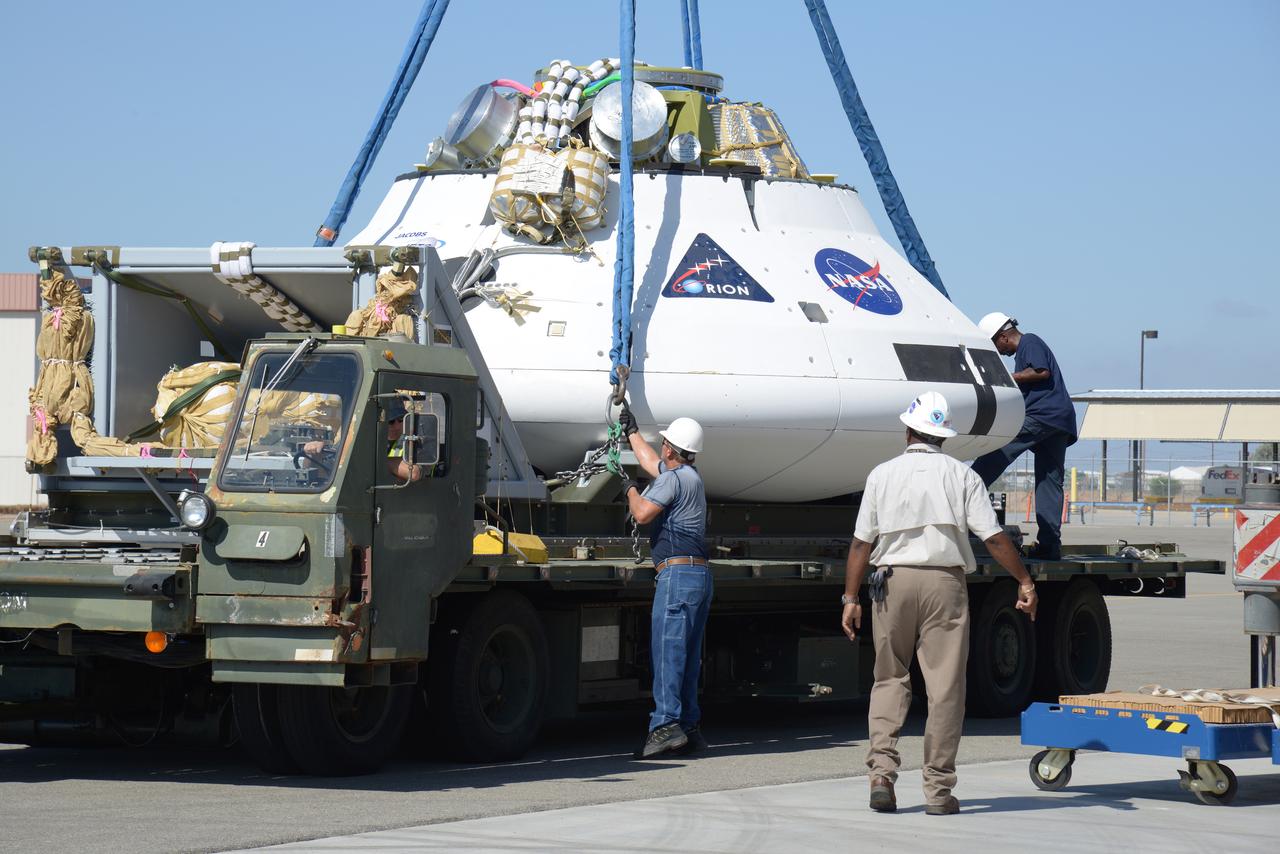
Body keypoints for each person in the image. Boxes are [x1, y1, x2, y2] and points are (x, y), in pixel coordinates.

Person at [841, 391, 1037, 816]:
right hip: (944, 583)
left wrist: (850, 597)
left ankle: (881, 775)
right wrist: (1024, 580)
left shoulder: (882, 474)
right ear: (943, 436)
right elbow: (993, 538)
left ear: (908, 429)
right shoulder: (962, 477)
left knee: (889, 678)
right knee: (946, 687)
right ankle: (938, 791)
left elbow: (861, 542)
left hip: (890, 582)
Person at [617, 406, 711, 759]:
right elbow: (650, 461)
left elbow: (641, 514)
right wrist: (631, 432)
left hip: (677, 575)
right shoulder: (690, 476)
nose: (662, 449)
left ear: (671, 449)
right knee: (686, 656)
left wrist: (628, 489)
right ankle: (688, 726)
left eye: (665, 444)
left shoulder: (672, 479)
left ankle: (664, 726)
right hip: (699, 575)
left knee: (668, 652)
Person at [971, 313, 1077, 561]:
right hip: (1058, 421)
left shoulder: (1030, 341)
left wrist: (1004, 377)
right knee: (1049, 483)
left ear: (1004, 336)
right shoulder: (1024, 350)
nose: (998, 351)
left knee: (996, 452)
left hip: (1042, 416)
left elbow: (1041, 372)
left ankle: (965, 489)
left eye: (996, 345)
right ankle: (1050, 546)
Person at [302, 400, 424, 483]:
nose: (397, 426)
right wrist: (314, 454)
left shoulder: (414, 441)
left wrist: (369, 461)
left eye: (401, 419)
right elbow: (324, 474)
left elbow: (413, 473)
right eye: (390, 421)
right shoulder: (362, 439)